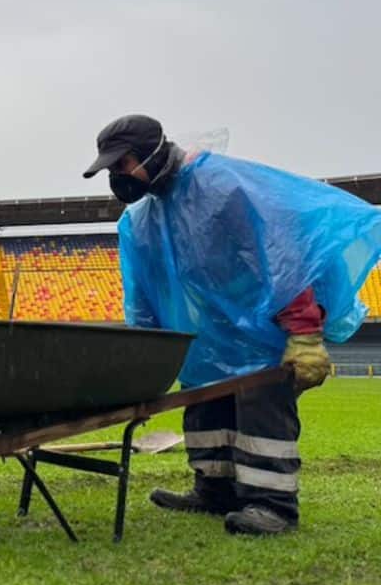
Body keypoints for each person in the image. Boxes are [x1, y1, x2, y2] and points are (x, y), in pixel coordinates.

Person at [83, 114, 381, 535]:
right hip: (208, 340)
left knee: (261, 412)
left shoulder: (223, 189)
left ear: (153, 150)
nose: (118, 176)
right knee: (205, 407)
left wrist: (304, 331)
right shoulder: (141, 222)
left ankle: (273, 505)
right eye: (111, 169)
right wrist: (146, 354)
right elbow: (143, 292)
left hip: (260, 330)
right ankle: (214, 489)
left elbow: (282, 261)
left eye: (123, 164)